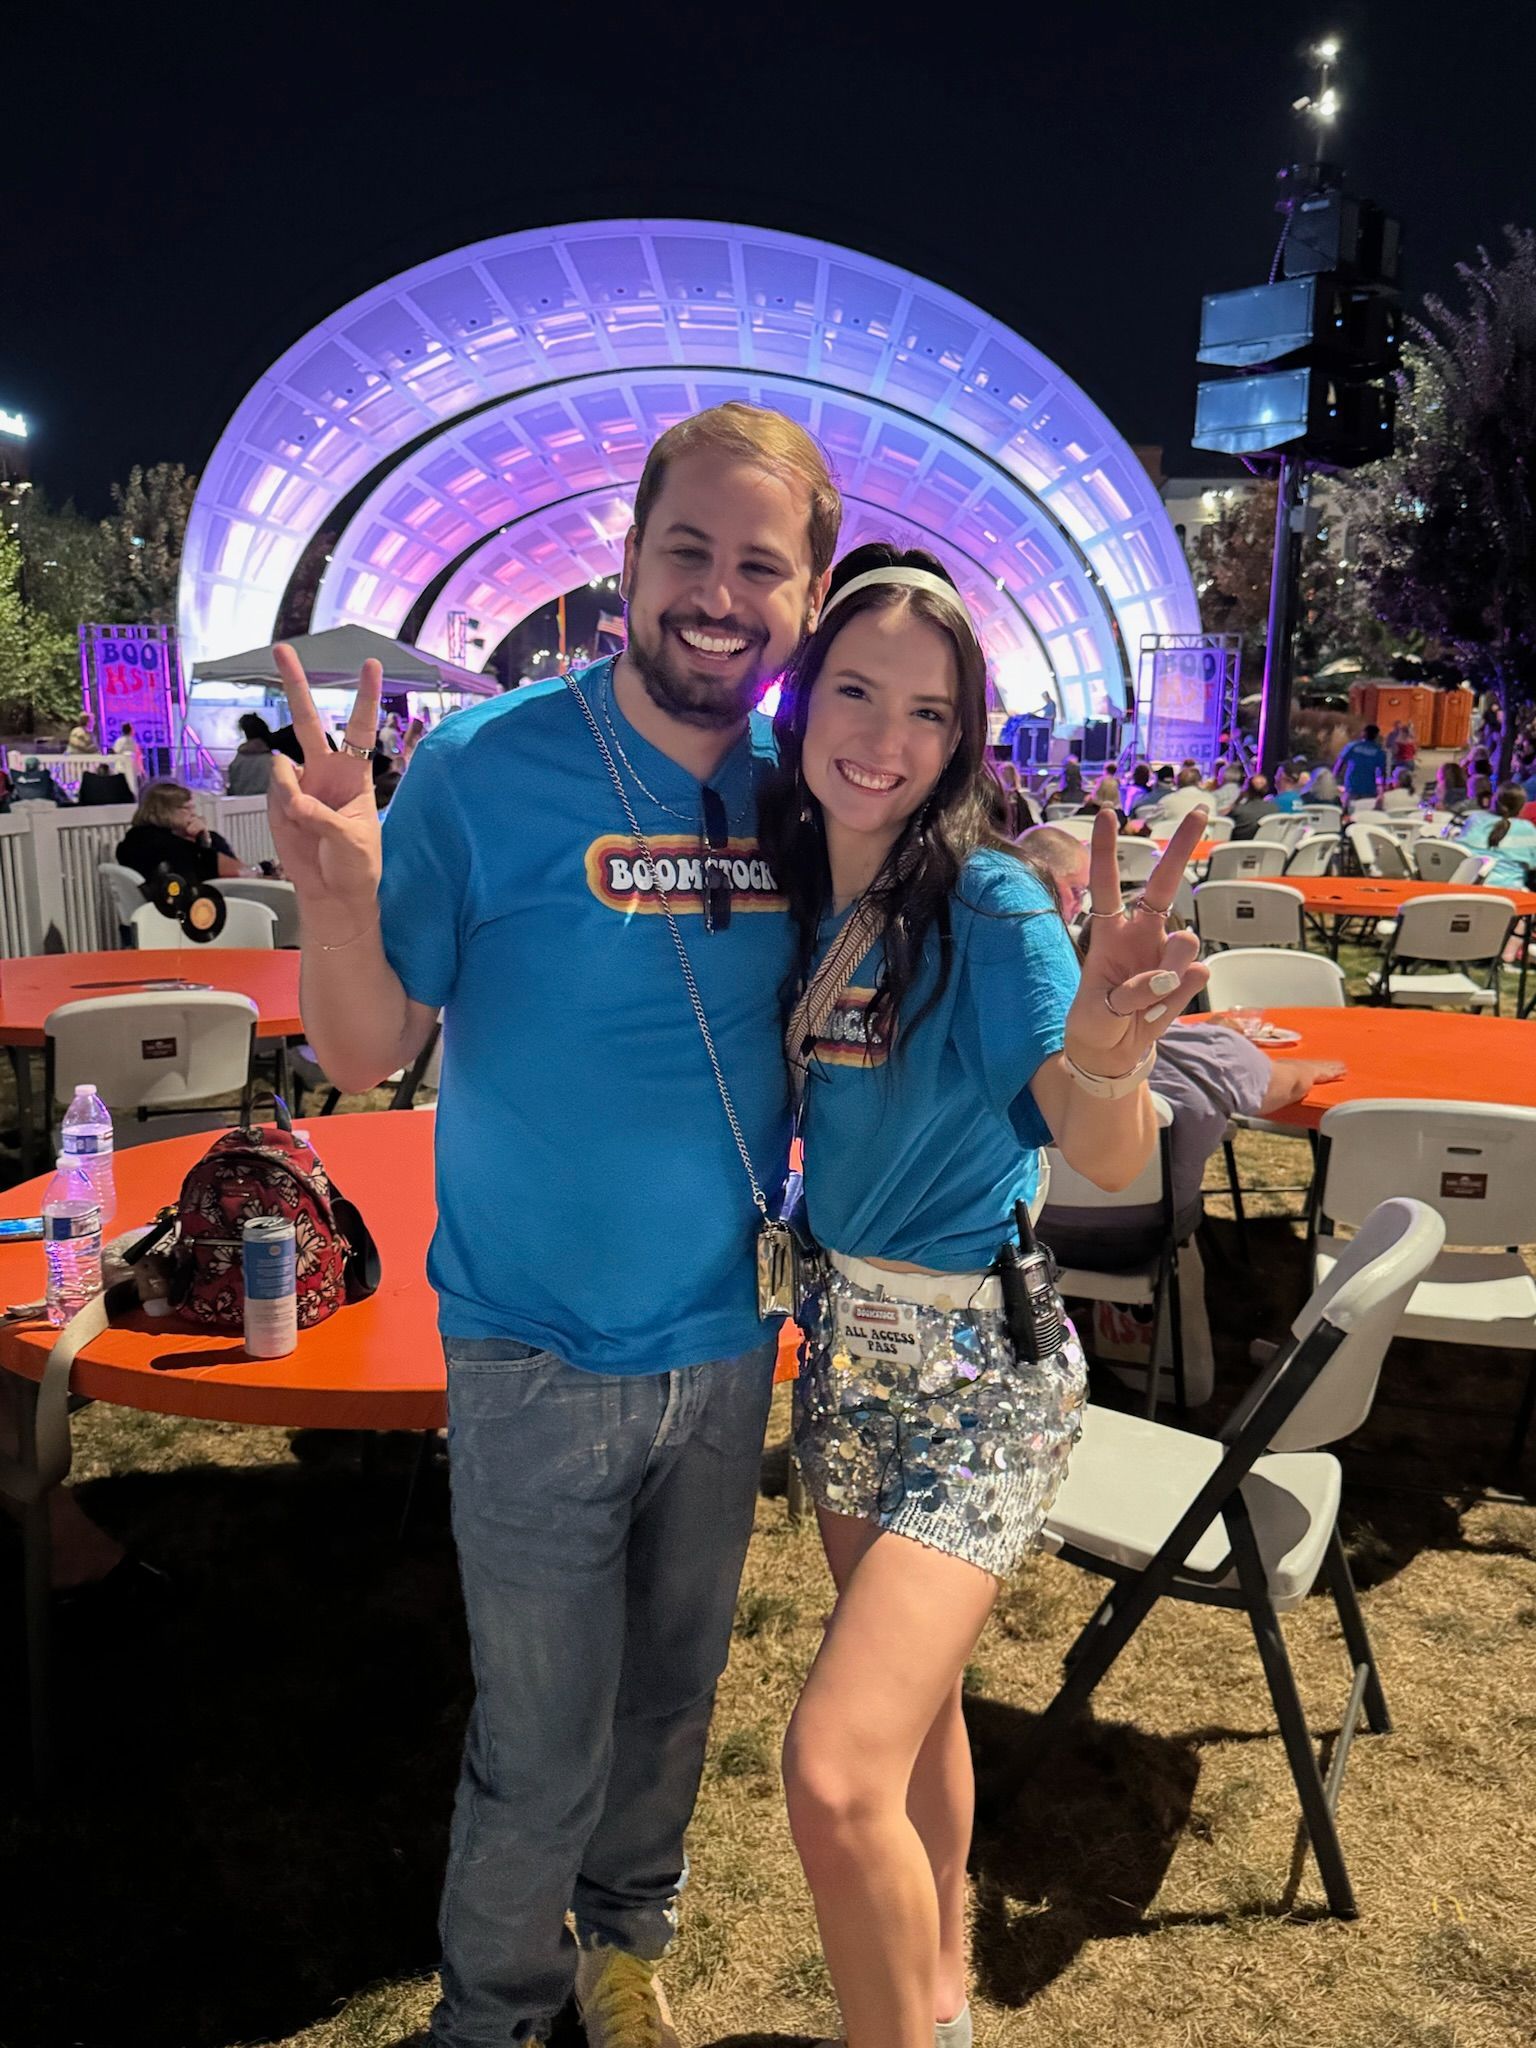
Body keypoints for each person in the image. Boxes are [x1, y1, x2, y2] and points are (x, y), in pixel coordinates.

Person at [268, 401, 841, 2048]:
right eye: (688, 551)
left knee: (671, 1706)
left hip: (725, 1345)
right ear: (630, 558)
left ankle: (626, 1946)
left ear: (808, 595)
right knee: (537, 1739)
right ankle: (496, 2010)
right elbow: (369, 1048)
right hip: (530, 1353)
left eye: (760, 565)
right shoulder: (484, 766)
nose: (718, 595)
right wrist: (337, 902)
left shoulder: (806, 799)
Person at [762, 544, 1210, 2048]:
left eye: (929, 711)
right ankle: (940, 1982)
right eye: (855, 690)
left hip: (979, 1380)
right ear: (802, 698)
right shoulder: (797, 888)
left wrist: (1111, 1050)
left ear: (965, 738)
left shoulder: (994, 905)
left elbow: (1100, 1145)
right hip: (844, 1358)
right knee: (915, 1717)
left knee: (833, 1771)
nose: (883, 738)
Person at [116, 780, 251, 885]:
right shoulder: (165, 844)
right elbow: (240, 872)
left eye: (193, 807)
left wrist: (205, 839)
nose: (194, 813)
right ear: (164, 811)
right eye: (187, 808)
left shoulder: (133, 838)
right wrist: (204, 842)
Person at [1453, 784, 1536, 889]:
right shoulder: (1527, 829)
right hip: (1511, 893)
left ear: (1494, 800)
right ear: (1522, 806)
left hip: (1469, 890)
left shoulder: (1475, 819)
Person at [1334, 723, 1387, 805]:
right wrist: (1382, 789)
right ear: (1376, 736)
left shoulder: (1352, 746)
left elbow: (1339, 763)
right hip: (1369, 788)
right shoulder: (1378, 751)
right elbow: (1382, 772)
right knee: (1365, 810)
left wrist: (1333, 778)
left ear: (1364, 733)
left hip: (1351, 786)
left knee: (1348, 809)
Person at [226, 712, 277, 795]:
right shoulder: (272, 761)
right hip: (265, 801)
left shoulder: (238, 760)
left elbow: (233, 788)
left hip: (239, 802)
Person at [1228, 772, 1280, 840]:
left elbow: (1225, 826)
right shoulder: (1275, 809)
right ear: (1266, 789)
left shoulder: (1238, 810)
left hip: (1236, 845)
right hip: (1265, 845)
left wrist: (1238, 800)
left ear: (1247, 790)